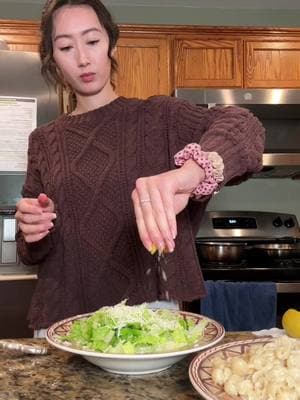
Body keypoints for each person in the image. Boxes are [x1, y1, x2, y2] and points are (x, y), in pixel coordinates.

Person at [15, 0, 265, 336]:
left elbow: (245, 127)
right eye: (65, 47)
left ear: (111, 44)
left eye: (92, 41)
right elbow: (31, 252)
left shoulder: (159, 117)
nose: (83, 58)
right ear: (53, 59)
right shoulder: (43, 141)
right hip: (63, 321)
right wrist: (33, 229)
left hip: (148, 317)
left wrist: (192, 172)